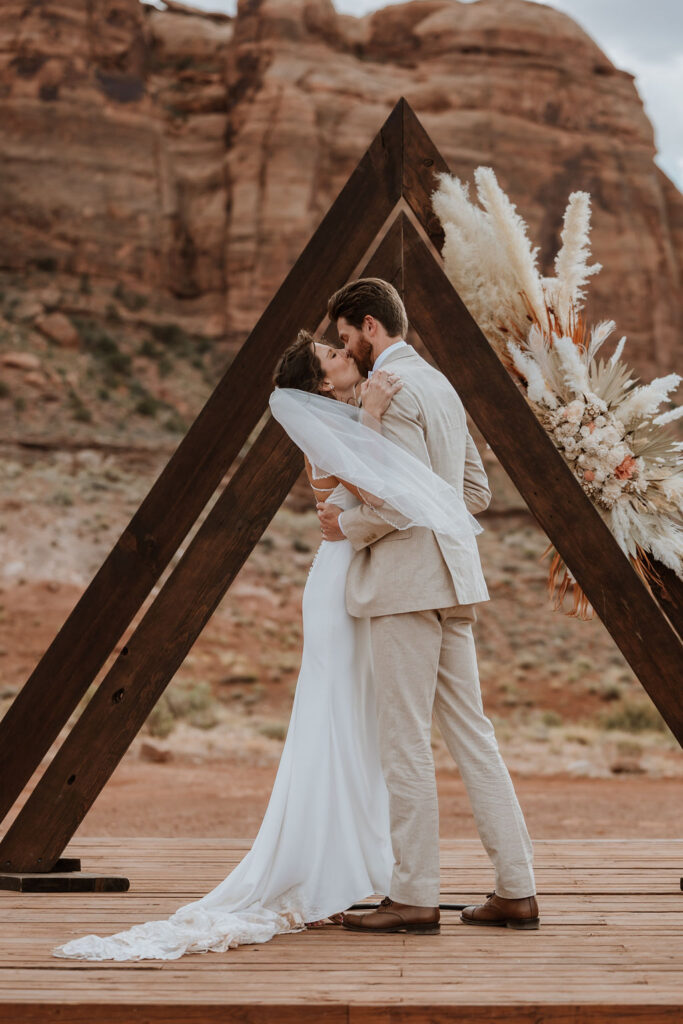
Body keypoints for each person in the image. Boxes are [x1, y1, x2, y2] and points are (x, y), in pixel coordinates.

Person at [51, 331, 403, 961]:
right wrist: (374, 415)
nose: (345, 352)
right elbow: (380, 488)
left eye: (340, 346)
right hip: (339, 588)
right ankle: (333, 869)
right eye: (332, 354)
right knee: (334, 721)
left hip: (355, 579)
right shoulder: (336, 428)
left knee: (357, 721)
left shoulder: (342, 415)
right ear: (323, 384)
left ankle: (364, 866)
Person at [317, 277, 539, 933]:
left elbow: (397, 497)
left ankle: (413, 897)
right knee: (474, 737)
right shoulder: (439, 384)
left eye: (343, 337)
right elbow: (471, 490)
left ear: (368, 327)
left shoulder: (395, 390)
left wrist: (345, 526)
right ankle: (515, 890)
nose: (343, 349)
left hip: (406, 585)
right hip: (453, 581)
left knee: (404, 740)